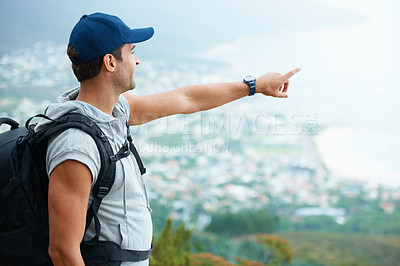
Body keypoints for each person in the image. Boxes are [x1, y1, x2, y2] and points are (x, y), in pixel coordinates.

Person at [41, 12, 300, 265]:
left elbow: (188, 99)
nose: (137, 61)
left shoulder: (115, 110)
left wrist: (254, 86)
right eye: (131, 51)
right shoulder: (76, 146)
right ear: (110, 62)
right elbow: (63, 251)